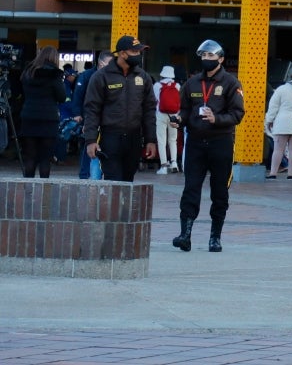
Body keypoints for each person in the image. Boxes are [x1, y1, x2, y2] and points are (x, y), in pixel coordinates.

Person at [171, 39, 245, 253]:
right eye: (203, 56)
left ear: (221, 59)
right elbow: (185, 109)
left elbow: (237, 114)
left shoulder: (231, 83)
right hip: (195, 142)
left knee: (220, 191)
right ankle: (185, 235)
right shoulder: (192, 83)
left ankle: (215, 237)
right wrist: (179, 119)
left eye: (210, 56)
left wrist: (217, 119)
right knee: (190, 188)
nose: (206, 59)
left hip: (221, 142)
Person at [83, 35, 159, 183]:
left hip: (134, 138)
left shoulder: (143, 77)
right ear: (122, 53)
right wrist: (90, 140)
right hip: (110, 137)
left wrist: (150, 140)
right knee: (113, 182)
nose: (138, 55)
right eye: (134, 52)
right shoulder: (101, 76)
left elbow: (149, 110)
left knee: (128, 181)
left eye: (139, 52)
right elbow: (92, 110)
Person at [18, 46, 65, 178]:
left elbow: (22, 93)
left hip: (29, 116)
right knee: (45, 159)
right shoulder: (55, 75)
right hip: (48, 119)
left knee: (30, 157)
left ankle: (28, 187)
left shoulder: (28, 72)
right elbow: (62, 97)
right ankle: (44, 188)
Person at [71, 51, 112, 179]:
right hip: (90, 116)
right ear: (101, 63)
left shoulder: (112, 76)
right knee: (88, 144)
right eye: (110, 63)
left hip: (107, 119)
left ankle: (102, 175)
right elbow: (78, 95)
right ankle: (84, 175)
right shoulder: (87, 76)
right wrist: (77, 113)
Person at [264, 67, 292, 180]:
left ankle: (273, 173)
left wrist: (269, 120)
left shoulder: (281, 89)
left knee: (278, 149)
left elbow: (273, 106)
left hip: (282, 122)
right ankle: (291, 174)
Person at [154, 65, 182, 174]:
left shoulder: (157, 85)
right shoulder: (177, 86)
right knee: (173, 140)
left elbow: (155, 100)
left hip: (161, 114)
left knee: (161, 140)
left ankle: (164, 166)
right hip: (174, 114)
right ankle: (174, 163)